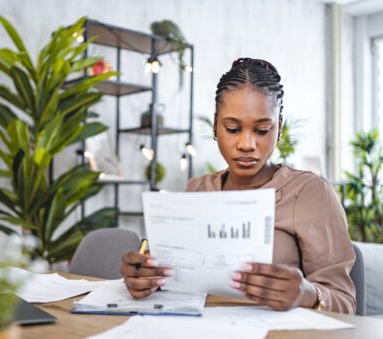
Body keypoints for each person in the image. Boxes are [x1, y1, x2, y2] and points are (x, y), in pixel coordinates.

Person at [120, 58, 356, 314]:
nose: (247, 144)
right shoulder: (197, 189)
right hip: (197, 335)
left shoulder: (309, 192)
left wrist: (307, 293)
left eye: (262, 130)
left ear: (279, 128)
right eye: (232, 128)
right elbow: (172, 280)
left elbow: (345, 303)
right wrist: (144, 277)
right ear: (215, 125)